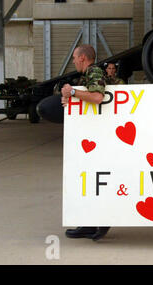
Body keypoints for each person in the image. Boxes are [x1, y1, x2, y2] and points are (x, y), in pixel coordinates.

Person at [59, 45, 110, 241]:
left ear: (82, 58)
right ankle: (90, 223)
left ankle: (98, 221)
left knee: (93, 179)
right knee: (87, 180)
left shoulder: (94, 71)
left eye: (74, 57)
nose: (73, 61)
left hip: (98, 136)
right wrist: (70, 101)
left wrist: (72, 93)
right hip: (89, 136)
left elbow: (97, 97)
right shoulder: (87, 74)